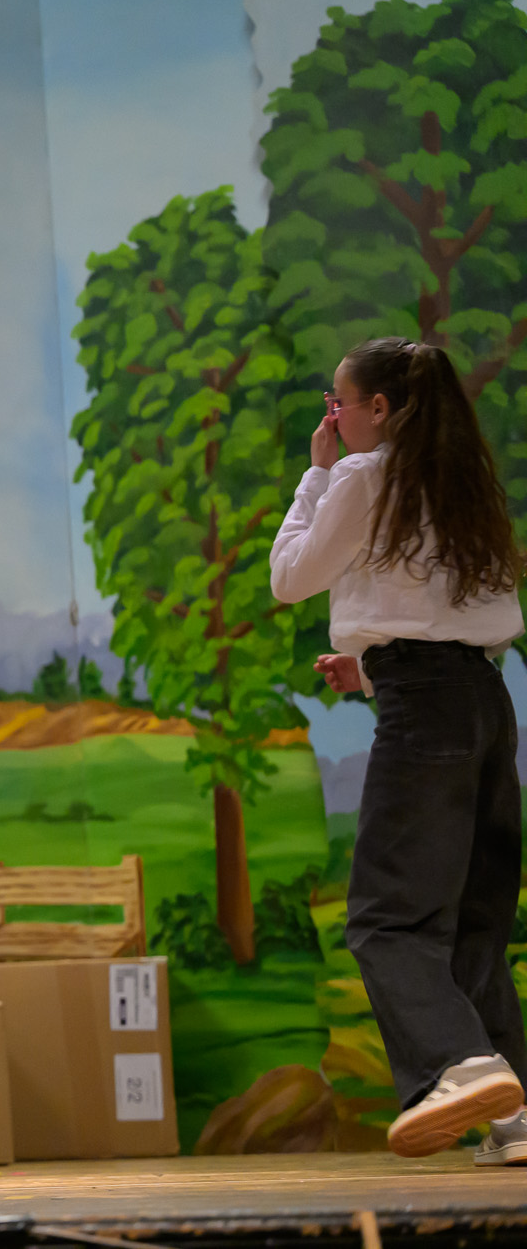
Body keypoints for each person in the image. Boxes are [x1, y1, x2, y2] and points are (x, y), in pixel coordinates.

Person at [269, 337, 527, 1163]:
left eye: (337, 404)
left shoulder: (360, 475)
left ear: (377, 408)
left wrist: (315, 476)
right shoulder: (465, 484)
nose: (332, 419)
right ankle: (519, 1119)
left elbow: (290, 576)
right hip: (485, 704)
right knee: (475, 927)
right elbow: (449, 623)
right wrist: (375, 668)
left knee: (385, 917)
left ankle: (459, 1064)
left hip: (426, 712)